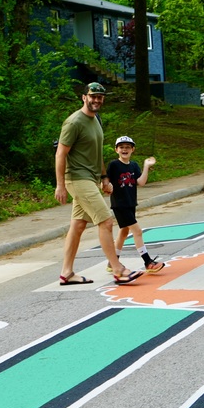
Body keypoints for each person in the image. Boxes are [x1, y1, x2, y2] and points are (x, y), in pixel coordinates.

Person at [55, 83, 144, 285]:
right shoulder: (74, 122)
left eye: (100, 97)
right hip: (77, 179)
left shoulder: (96, 120)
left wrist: (104, 177)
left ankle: (66, 273)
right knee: (106, 221)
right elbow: (60, 153)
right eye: (93, 96)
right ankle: (118, 269)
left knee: (77, 226)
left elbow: (96, 153)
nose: (96, 100)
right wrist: (60, 185)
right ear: (84, 97)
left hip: (90, 179)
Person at [105, 136, 166, 274]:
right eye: (121, 147)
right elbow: (106, 180)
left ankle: (112, 262)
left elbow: (141, 182)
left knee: (124, 231)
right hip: (120, 204)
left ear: (132, 149)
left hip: (131, 203)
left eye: (127, 147)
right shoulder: (114, 165)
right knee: (137, 231)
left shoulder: (134, 166)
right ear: (116, 150)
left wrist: (146, 166)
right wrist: (106, 185)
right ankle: (148, 262)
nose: (124, 149)